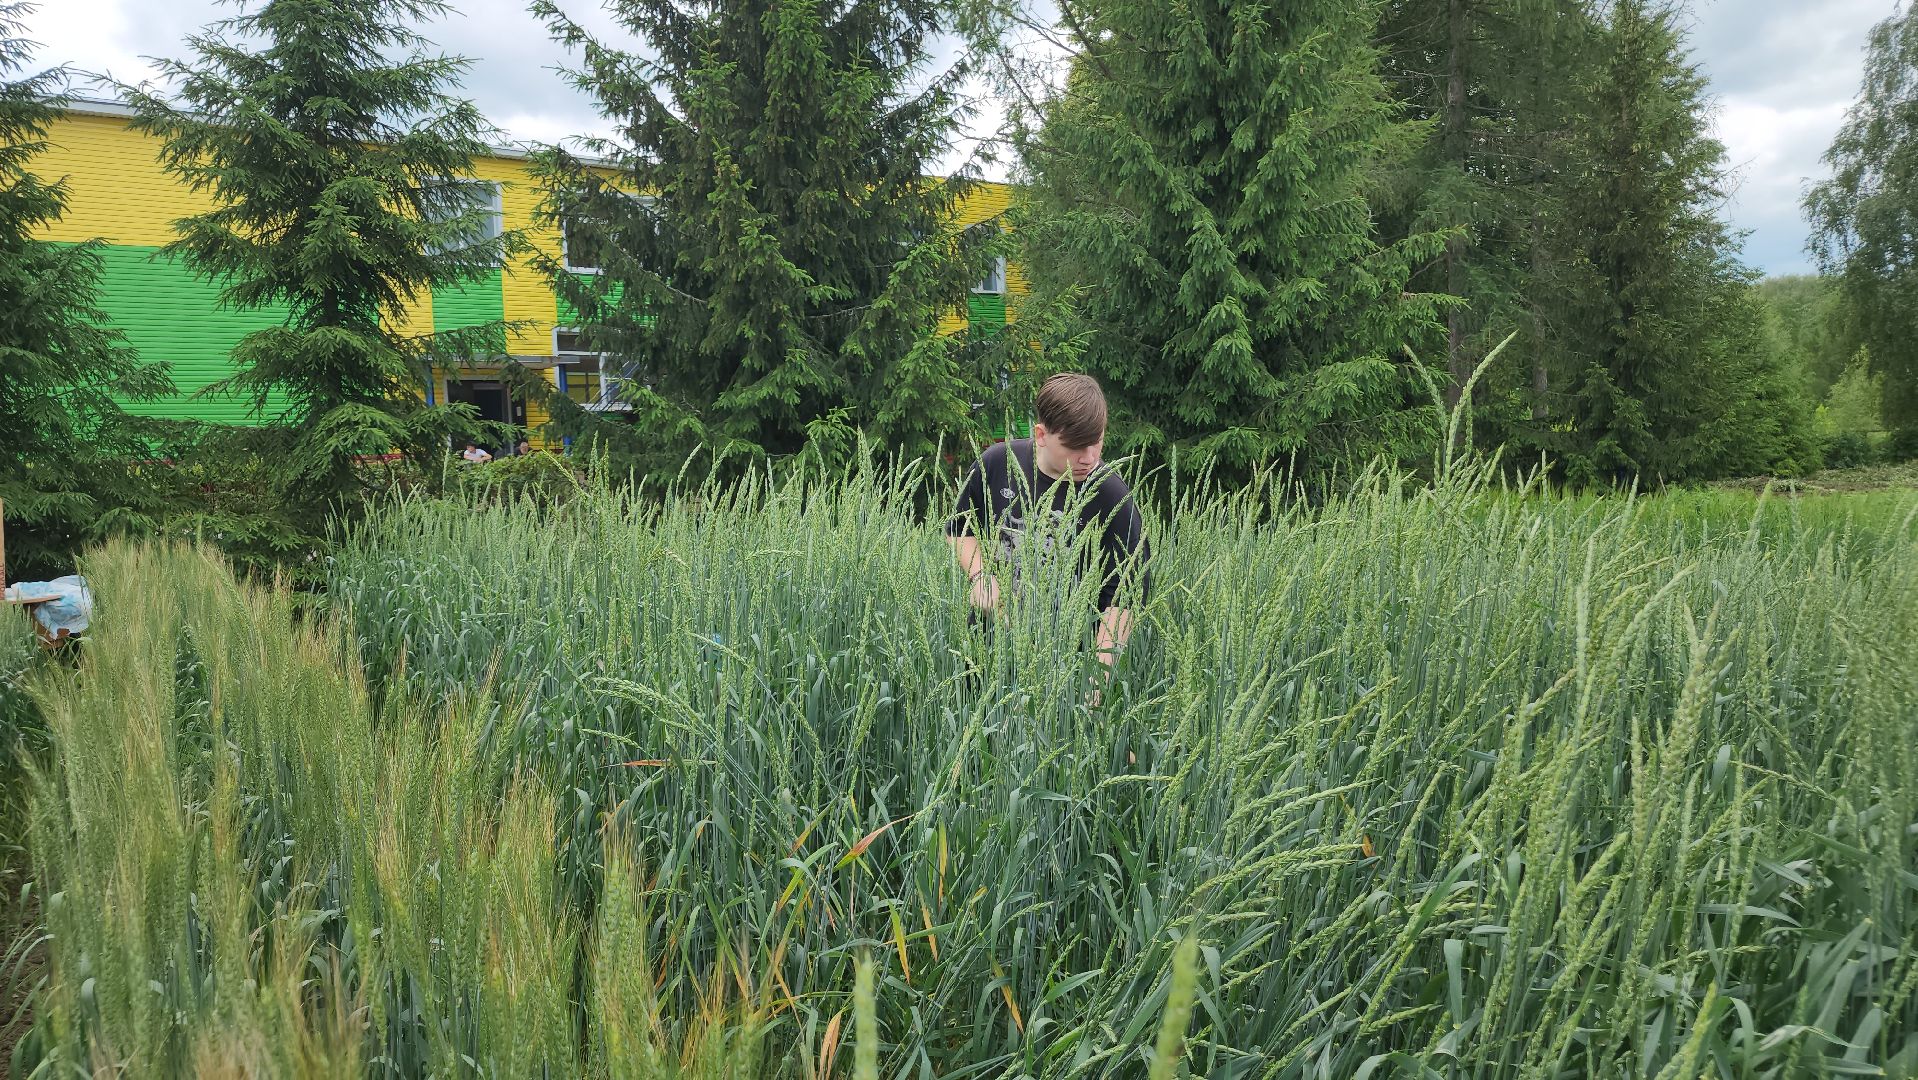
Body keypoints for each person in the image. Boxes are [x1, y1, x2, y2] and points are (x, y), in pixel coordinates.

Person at [945, 373, 1150, 697]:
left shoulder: (1111, 495)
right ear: (1041, 435)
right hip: (989, 657)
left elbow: (1124, 596)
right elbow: (960, 529)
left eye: (1096, 442)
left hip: (1067, 675)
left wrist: (1096, 682)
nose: (1089, 457)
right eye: (1075, 447)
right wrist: (979, 575)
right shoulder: (997, 463)